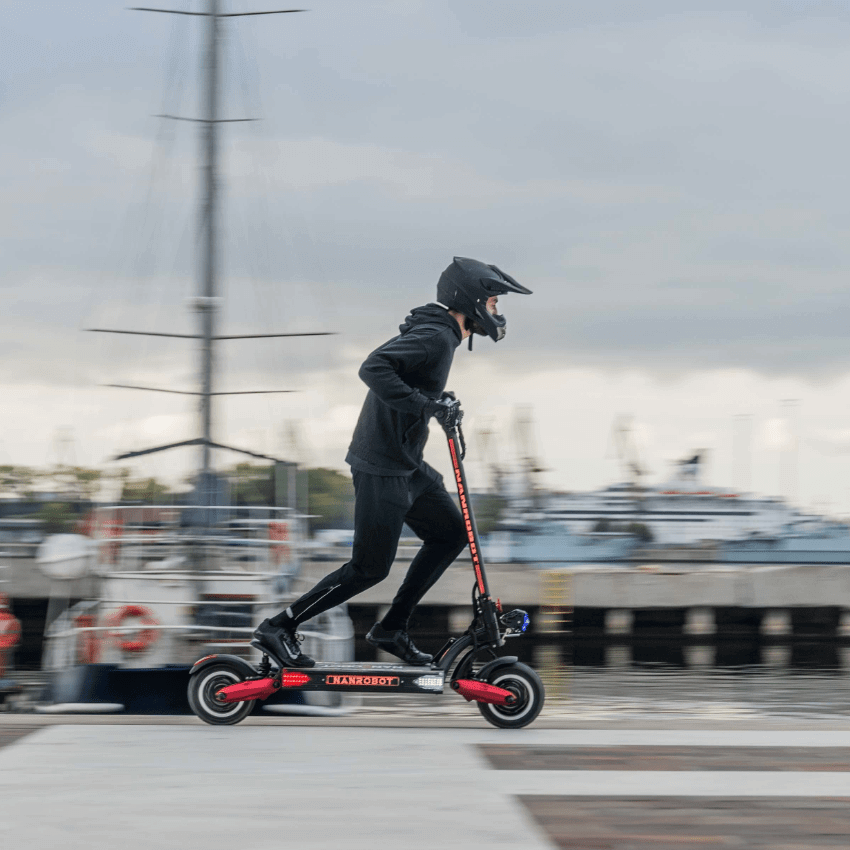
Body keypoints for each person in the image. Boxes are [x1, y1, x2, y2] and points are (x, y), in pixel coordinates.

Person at [254, 257, 532, 667]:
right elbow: (374, 367)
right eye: (492, 303)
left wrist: (440, 401)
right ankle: (280, 627)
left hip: (407, 465)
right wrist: (427, 405)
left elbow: (412, 380)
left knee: (451, 534)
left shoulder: (442, 336)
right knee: (368, 569)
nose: (496, 312)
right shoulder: (436, 336)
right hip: (381, 466)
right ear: (471, 300)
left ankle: (392, 628)